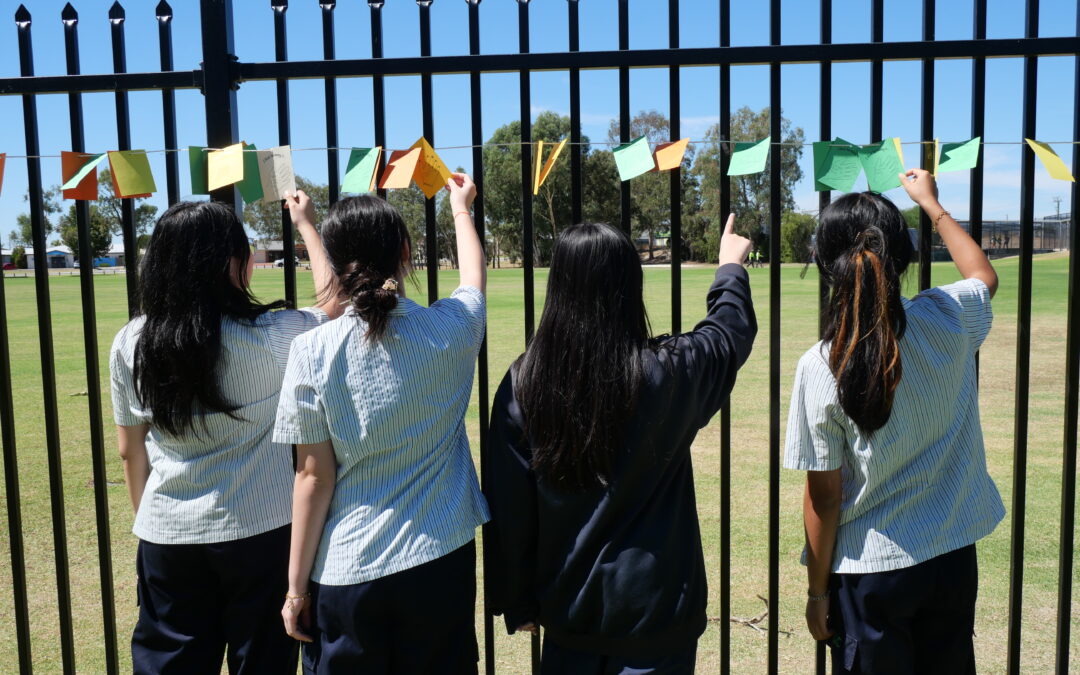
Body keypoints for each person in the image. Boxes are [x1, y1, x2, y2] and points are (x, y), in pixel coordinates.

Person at [485, 216, 757, 673]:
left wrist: (518, 600)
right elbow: (727, 334)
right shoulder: (669, 372)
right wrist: (729, 267)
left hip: (571, 612)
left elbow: (510, 508)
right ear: (630, 287)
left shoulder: (523, 382)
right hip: (658, 612)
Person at [110, 193, 342, 674]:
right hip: (261, 529)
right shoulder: (276, 335)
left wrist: (156, 520)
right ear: (231, 262)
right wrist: (305, 225)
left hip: (166, 533)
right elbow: (336, 303)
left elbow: (130, 451)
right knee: (262, 659)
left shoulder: (131, 342)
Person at [784, 168, 1003, 674]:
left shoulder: (820, 364)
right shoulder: (948, 316)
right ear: (904, 258)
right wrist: (931, 204)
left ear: (824, 264)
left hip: (870, 575)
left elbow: (825, 495)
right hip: (951, 556)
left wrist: (818, 593)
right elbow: (984, 277)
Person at [276, 174, 489, 674]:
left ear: (334, 262)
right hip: (440, 558)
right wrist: (461, 208)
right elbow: (473, 280)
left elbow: (313, 477)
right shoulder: (451, 329)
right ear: (408, 252)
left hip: (350, 570)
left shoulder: (312, 350)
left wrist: (295, 588)